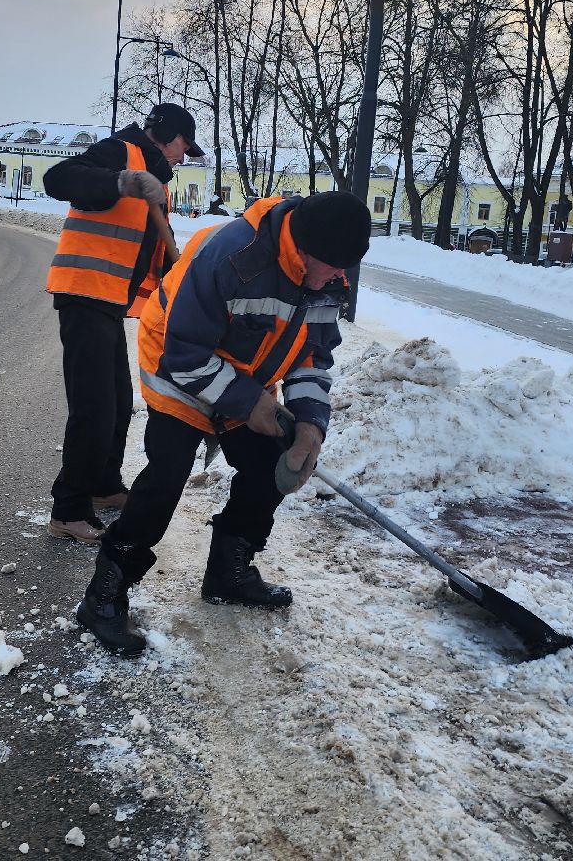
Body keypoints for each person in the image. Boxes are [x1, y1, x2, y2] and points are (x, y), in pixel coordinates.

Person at [76, 190, 372, 655]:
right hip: (179, 365)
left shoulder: (328, 277)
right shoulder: (233, 257)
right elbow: (186, 357)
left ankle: (227, 574)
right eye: (334, 266)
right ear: (306, 250)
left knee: (269, 465)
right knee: (166, 476)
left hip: (246, 372)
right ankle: (104, 596)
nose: (341, 277)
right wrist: (252, 406)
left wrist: (310, 425)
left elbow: (311, 357)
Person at [42, 103, 203, 544]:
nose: (181, 158)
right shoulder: (120, 154)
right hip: (84, 291)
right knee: (93, 407)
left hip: (109, 301)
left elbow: (153, 249)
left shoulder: (154, 180)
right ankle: (68, 510)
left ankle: (104, 487)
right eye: (182, 147)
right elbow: (57, 179)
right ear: (165, 135)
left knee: (116, 400)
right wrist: (122, 182)